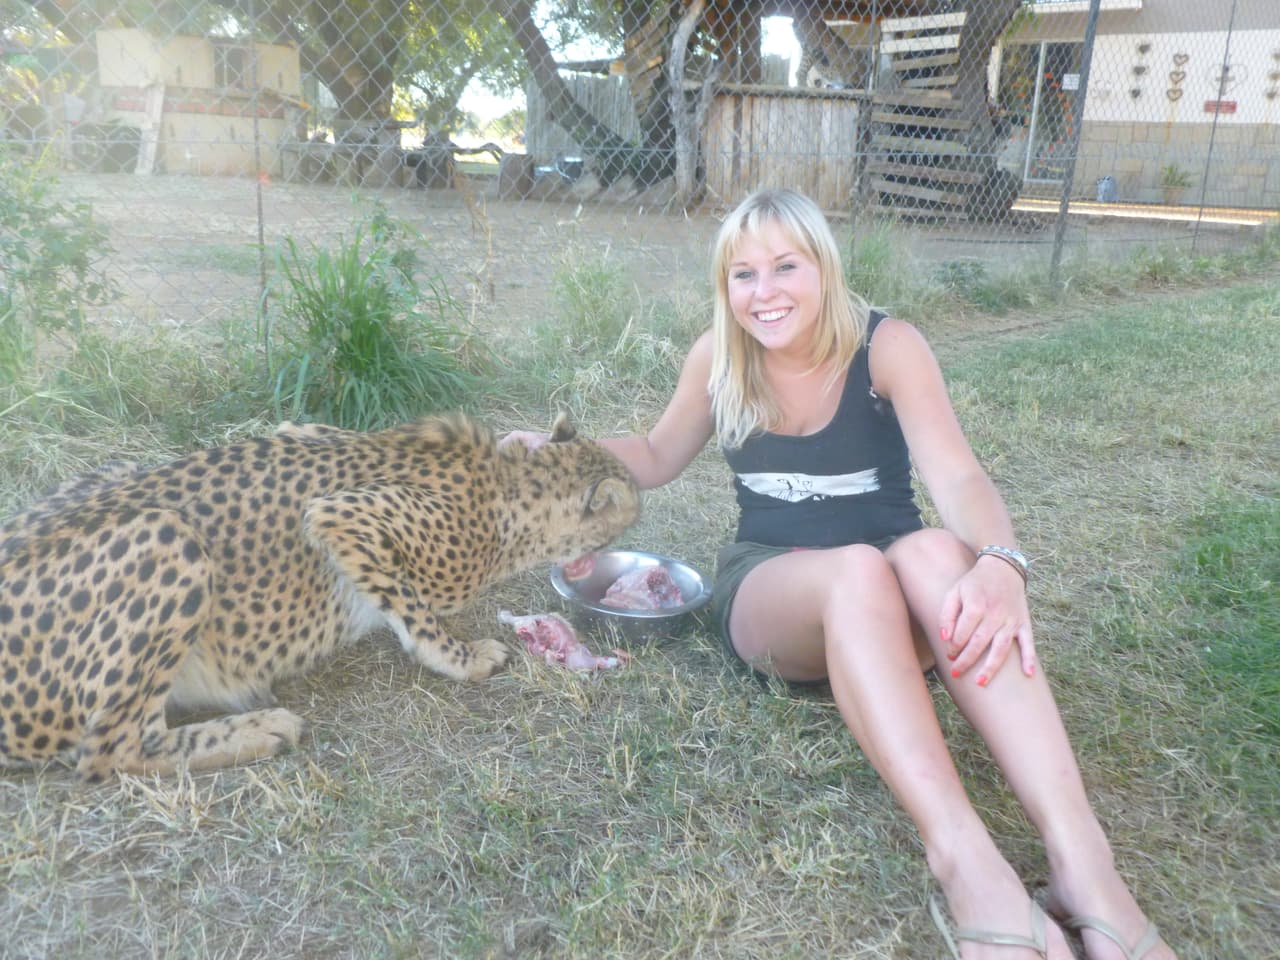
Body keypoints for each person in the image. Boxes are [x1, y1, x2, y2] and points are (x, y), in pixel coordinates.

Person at [507, 189, 1175, 960]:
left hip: (900, 599)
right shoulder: (718, 357)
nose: (766, 292)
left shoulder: (886, 347)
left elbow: (956, 479)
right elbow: (657, 455)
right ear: (725, 288)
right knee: (858, 570)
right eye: (743, 274)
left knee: (924, 552)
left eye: (786, 266)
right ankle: (969, 867)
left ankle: (1086, 871)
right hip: (778, 593)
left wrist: (999, 562)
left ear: (823, 266)